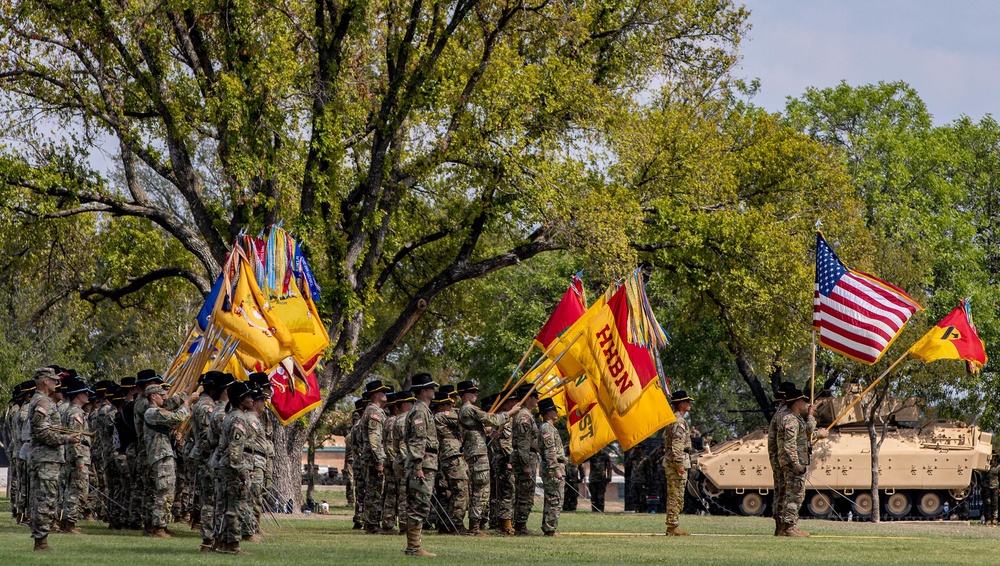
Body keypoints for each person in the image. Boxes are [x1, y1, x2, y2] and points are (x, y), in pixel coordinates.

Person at [27, 367, 80, 551]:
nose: (57, 384)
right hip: (45, 459)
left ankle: (41, 540)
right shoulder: (42, 401)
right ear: (45, 382)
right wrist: (67, 438)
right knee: (45, 500)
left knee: (47, 499)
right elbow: (42, 433)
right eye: (54, 381)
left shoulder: (46, 401)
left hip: (49, 459)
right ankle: (41, 542)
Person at [457, 380, 518, 536]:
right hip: (477, 454)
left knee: (483, 490)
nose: (476, 394)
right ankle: (474, 528)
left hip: (478, 452)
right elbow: (492, 419)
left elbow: (482, 426)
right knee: (480, 490)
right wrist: (510, 413)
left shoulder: (468, 410)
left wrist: (489, 432)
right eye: (472, 392)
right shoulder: (468, 409)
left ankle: (476, 525)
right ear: (465, 395)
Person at [143, 383, 197, 537]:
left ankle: (162, 525)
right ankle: (158, 527)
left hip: (164, 454)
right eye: (162, 395)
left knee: (167, 490)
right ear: (153, 397)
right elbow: (178, 417)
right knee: (164, 491)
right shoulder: (151, 412)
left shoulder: (157, 411)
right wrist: (187, 403)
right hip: (160, 455)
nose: (165, 397)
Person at [402, 373, 439, 556]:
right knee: (419, 504)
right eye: (431, 387)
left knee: (421, 503)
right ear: (423, 391)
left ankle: (414, 545)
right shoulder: (420, 411)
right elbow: (417, 440)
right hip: (423, 463)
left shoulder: (423, 410)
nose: (434, 390)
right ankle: (414, 547)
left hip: (427, 462)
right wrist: (418, 466)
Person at [58, 377, 93, 534]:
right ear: (78, 395)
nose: (87, 395)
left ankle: (67, 521)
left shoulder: (69, 411)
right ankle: (70, 523)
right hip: (76, 456)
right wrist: (80, 460)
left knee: (72, 488)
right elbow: (75, 439)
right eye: (84, 393)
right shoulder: (75, 413)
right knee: (77, 489)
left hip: (71, 456)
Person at [777, 388, 812, 537]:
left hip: (794, 464)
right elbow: (789, 445)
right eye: (803, 401)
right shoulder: (791, 420)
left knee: (793, 495)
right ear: (797, 402)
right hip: (793, 465)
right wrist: (797, 464)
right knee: (795, 496)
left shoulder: (795, 419)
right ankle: (789, 528)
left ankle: (788, 526)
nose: (806, 403)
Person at [360, 379, 391, 534]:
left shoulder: (373, 410)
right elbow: (374, 439)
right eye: (383, 392)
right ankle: (372, 524)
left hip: (371, 457)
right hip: (373, 458)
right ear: (375, 395)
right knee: (375, 491)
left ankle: (371, 523)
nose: (386, 395)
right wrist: (379, 460)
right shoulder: (374, 412)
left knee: (374, 490)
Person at [663, 390, 693, 536]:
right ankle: (673, 527)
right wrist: (679, 464)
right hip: (676, 462)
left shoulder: (673, 419)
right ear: (680, 404)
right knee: (676, 495)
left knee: (675, 494)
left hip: (673, 461)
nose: (689, 404)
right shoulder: (679, 421)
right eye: (687, 402)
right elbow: (677, 445)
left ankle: (673, 525)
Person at [511, 384, 539, 536]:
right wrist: (526, 464)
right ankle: (520, 526)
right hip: (525, 458)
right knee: (524, 492)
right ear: (528, 397)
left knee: (525, 491)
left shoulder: (527, 415)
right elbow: (523, 442)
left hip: (528, 456)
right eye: (535, 396)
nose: (537, 399)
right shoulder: (524, 417)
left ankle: (520, 524)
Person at [767, 382, 794, 534]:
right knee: (788, 492)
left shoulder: (779, 413)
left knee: (780, 492)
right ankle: (787, 526)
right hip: (785, 459)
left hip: (778, 459)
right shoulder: (787, 416)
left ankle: (780, 526)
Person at [537, 397, 565, 536]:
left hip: (554, 466)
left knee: (554, 498)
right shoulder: (546, 428)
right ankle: (549, 529)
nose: (556, 412)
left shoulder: (550, 427)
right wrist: (555, 469)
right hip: (552, 468)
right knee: (555, 498)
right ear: (547, 413)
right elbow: (550, 451)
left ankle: (549, 527)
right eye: (554, 410)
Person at [587, 447, 612, 512]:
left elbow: (609, 467)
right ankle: (594, 510)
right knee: (593, 496)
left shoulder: (605, 455)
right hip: (593, 478)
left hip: (601, 479)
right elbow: (584, 460)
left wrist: (609, 477)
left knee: (600, 496)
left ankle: (600, 510)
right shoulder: (591, 454)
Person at [986, 455, 1000, 526]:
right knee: (987, 503)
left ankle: (995, 518)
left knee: (995, 503)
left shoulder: (998, 467)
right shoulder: (986, 466)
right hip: (986, 487)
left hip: (995, 487)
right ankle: (988, 518)